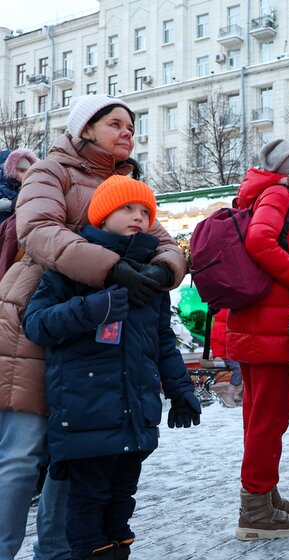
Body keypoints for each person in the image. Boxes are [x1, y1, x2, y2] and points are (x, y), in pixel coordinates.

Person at [0, 94, 186, 560]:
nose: (127, 132)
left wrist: (162, 271)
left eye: (131, 126)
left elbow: (166, 244)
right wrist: (112, 268)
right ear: (85, 128)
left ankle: (59, 552)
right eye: (116, 123)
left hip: (103, 327)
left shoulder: (129, 185)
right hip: (37, 316)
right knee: (23, 453)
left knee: (77, 453)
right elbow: (39, 230)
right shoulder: (51, 171)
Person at [23, 175, 200, 560]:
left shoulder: (149, 274)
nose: (139, 216)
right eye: (127, 208)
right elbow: (37, 324)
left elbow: (163, 343)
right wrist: (90, 309)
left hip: (134, 416)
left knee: (122, 504)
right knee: (87, 508)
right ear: (101, 215)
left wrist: (181, 392)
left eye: (145, 211)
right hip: (86, 415)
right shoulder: (71, 267)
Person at [226, 139, 289, 540]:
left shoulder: (261, 194)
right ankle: (255, 510)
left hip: (256, 322)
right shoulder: (279, 194)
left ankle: (265, 494)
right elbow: (259, 240)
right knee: (269, 419)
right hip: (270, 326)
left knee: (259, 418)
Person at [210, 308, 243, 407]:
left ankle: (239, 393)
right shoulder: (221, 326)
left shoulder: (224, 324)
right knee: (239, 368)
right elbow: (227, 340)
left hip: (228, 354)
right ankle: (229, 393)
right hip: (223, 355)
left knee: (246, 365)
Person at [0, 148, 38, 223]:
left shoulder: (30, 186)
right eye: (20, 171)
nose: (21, 175)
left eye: (24, 170)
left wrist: (10, 205)